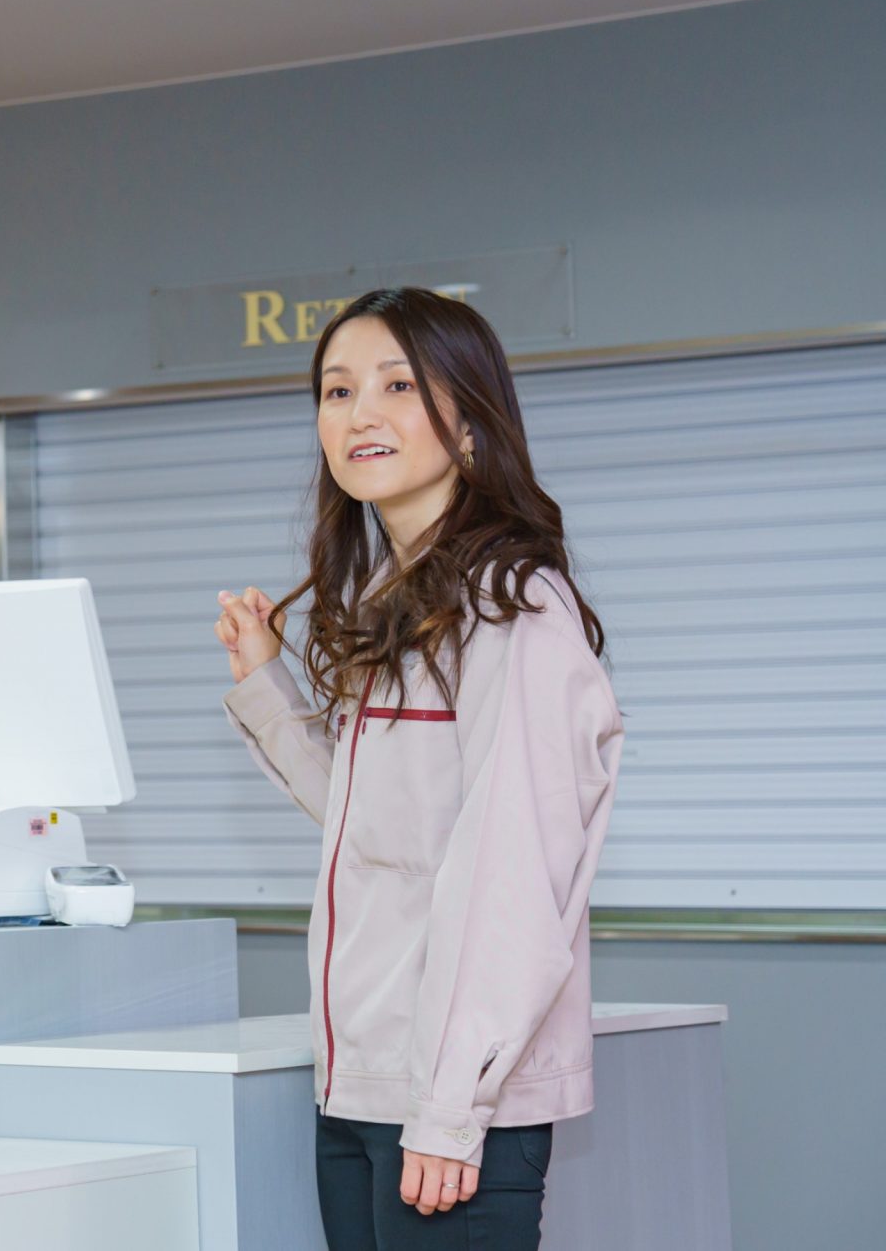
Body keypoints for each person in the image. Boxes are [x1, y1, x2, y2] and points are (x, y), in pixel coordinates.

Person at [213, 288, 623, 1250]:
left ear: (471, 423)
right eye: (337, 390)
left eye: (399, 385)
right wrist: (266, 685)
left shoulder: (511, 611)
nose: (360, 414)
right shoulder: (404, 604)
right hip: (363, 1082)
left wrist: (449, 1110)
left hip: (447, 1111)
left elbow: (510, 878)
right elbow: (379, 831)